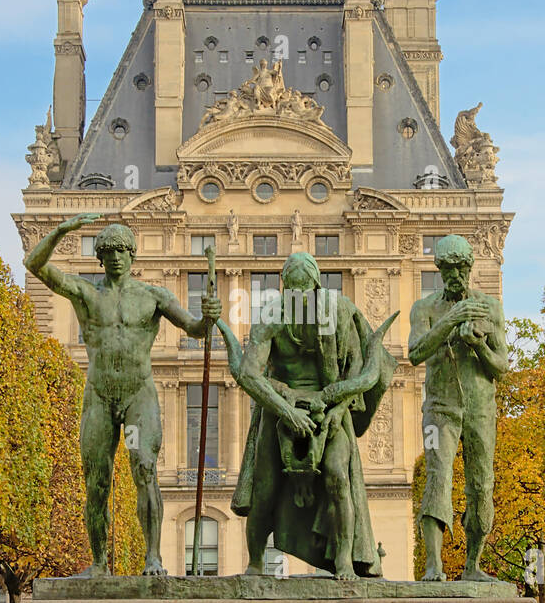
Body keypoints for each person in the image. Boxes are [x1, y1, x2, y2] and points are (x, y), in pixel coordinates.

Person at [25, 215, 221, 576]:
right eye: (107, 251)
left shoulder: (153, 296)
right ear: (100, 258)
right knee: (96, 481)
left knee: (143, 468)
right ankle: (99, 563)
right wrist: (61, 231)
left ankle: (153, 558)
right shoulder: (85, 293)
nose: (115, 257)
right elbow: (34, 265)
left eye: (121, 250)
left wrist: (208, 318)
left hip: (137, 396)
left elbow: (194, 329)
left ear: (133, 255)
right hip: (99, 397)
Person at [219, 252, 396, 579]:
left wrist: (338, 410)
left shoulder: (338, 311)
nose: (300, 298)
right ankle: (255, 562)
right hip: (280, 407)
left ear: (316, 287)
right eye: (293, 292)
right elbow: (248, 373)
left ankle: (344, 560)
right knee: (265, 486)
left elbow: (357, 370)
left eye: (306, 292)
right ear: (284, 288)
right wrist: (286, 409)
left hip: (329, 408)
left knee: (336, 475)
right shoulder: (272, 314)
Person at [408, 235, 508, 581]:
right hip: (440, 408)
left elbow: (500, 366)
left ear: (469, 267)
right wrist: (452, 321)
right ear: (439, 270)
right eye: (447, 269)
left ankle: (472, 566)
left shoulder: (489, 307)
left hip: (480, 411)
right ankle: (434, 565)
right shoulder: (425, 309)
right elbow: (415, 352)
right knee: (438, 476)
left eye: (460, 268)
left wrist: (478, 345)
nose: (454, 274)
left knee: (482, 485)